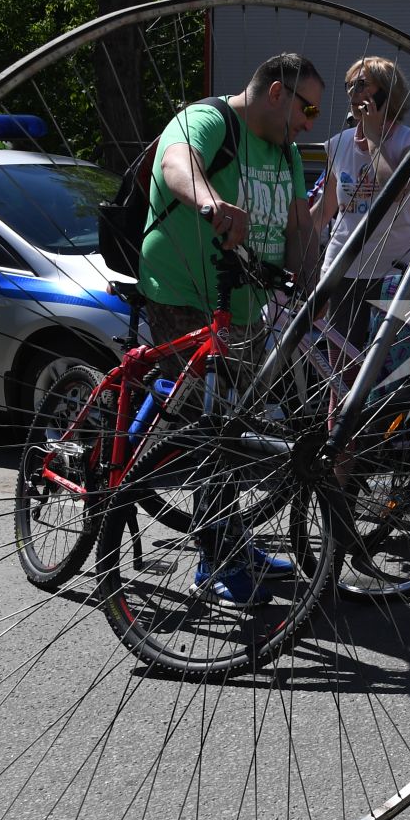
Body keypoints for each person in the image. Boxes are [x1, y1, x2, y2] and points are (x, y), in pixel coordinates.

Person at [140, 53, 327, 606]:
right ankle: (214, 558)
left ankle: (229, 536)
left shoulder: (287, 152)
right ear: (276, 91)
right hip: (184, 288)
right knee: (215, 430)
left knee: (229, 424)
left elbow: (296, 227)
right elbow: (176, 163)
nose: (312, 121)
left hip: (243, 304)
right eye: (307, 106)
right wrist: (211, 202)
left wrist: (310, 276)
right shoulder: (210, 119)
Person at [311, 57, 410, 348]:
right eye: (349, 85)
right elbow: (327, 209)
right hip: (342, 270)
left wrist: (373, 135)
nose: (353, 92)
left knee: (388, 375)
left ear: (387, 91)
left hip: (393, 272)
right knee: (340, 373)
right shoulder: (338, 144)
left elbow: (396, 190)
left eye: (362, 84)